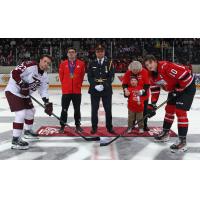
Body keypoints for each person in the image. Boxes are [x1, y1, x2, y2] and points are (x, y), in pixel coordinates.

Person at [144, 55, 196, 153]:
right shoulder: (151, 75)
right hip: (175, 89)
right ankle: (165, 133)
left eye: (150, 63)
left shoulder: (165, 67)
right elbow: (155, 89)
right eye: (147, 65)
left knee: (180, 112)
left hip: (187, 86)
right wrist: (153, 104)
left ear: (155, 61)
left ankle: (182, 141)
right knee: (169, 110)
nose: (149, 66)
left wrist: (179, 89)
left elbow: (186, 76)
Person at [5, 55, 53, 150]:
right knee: (21, 114)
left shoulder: (44, 76)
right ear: (40, 60)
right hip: (13, 90)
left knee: (31, 111)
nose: (46, 64)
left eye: (48, 63)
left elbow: (43, 90)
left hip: (25, 94)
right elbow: (14, 73)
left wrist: (46, 102)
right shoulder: (30, 65)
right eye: (45, 61)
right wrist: (21, 84)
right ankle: (15, 140)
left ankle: (28, 131)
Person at [87, 45, 115, 134]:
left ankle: (109, 127)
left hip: (106, 90)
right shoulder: (91, 63)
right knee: (94, 109)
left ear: (104, 52)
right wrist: (95, 85)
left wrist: (104, 85)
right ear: (95, 53)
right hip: (94, 89)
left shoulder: (109, 62)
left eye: (101, 51)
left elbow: (111, 76)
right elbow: (89, 76)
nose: (100, 53)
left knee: (108, 109)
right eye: (98, 51)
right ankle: (94, 127)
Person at [59, 47, 85, 133]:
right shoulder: (63, 64)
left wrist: (78, 85)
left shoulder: (81, 64)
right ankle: (62, 126)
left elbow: (82, 76)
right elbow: (61, 77)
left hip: (77, 91)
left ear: (76, 54)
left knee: (77, 109)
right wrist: (66, 86)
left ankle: (78, 125)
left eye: (73, 52)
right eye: (69, 52)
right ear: (67, 54)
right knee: (64, 109)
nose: (71, 53)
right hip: (66, 91)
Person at [122, 61, 150, 131]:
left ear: (140, 69)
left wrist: (142, 91)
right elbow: (124, 84)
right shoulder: (128, 72)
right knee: (132, 111)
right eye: (133, 71)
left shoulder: (144, 71)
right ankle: (132, 125)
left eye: (137, 71)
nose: (135, 72)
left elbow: (147, 84)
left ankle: (144, 125)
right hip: (132, 95)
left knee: (144, 111)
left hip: (143, 95)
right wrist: (126, 90)